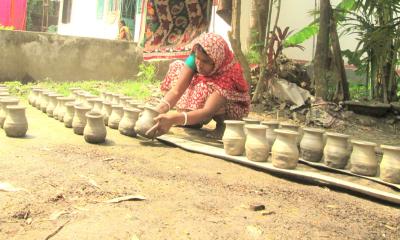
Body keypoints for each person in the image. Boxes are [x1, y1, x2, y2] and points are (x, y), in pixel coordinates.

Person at [147, 32, 250, 139]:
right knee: (177, 67)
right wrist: (156, 111)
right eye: (198, 58)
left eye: (205, 61)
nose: (199, 64)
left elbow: (207, 111)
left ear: (217, 61)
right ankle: (193, 121)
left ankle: (222, 126)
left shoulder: (228, 74)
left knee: (205, 87)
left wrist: (173, 119)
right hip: (208, 98)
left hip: (231, 109)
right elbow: (176, 91)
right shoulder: (196, 58)